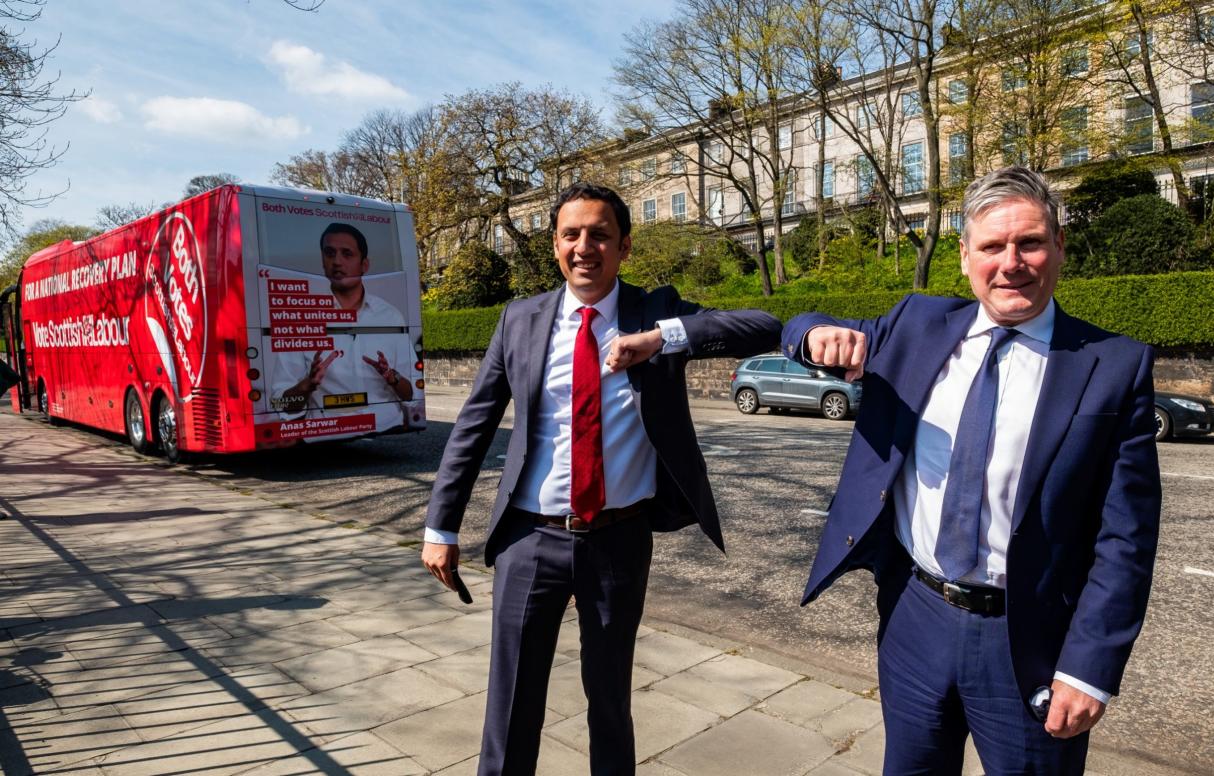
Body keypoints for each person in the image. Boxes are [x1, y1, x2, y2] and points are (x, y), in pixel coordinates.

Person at [782, 166, 1160, 774]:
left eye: (1030, 242)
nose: (1011, 262)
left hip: (1029, 642)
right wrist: (813, 336)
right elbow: (799, 327)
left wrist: (1090, 668)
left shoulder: (1113, 366)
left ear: (1059, 247)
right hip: (914, 614)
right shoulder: (918, 325)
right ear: (964, 257)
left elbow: (1127, 539)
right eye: (992, 246)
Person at [422, 182, 781, 776]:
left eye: (599, 235)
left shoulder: (653, 312)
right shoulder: (520, 318)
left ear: (624, 247)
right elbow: (473, 425)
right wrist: (441, 525)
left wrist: (660, 339)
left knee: (609, 699)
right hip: (529, 538)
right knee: (511, 703)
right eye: (571, 234)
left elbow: (763, 325)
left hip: (618, 539)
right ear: (555, 245)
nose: (584, 246)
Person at [271, 223, 413, 431]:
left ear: (364, 264)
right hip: (324, 430)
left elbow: (411, 393)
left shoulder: (391, 316)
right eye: (330, 253)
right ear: (322, 260)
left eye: (347, 254)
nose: (337, 261)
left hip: (386, 425)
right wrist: (306, 385)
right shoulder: (303, 319)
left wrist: (393, 377)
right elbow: (280, 405)